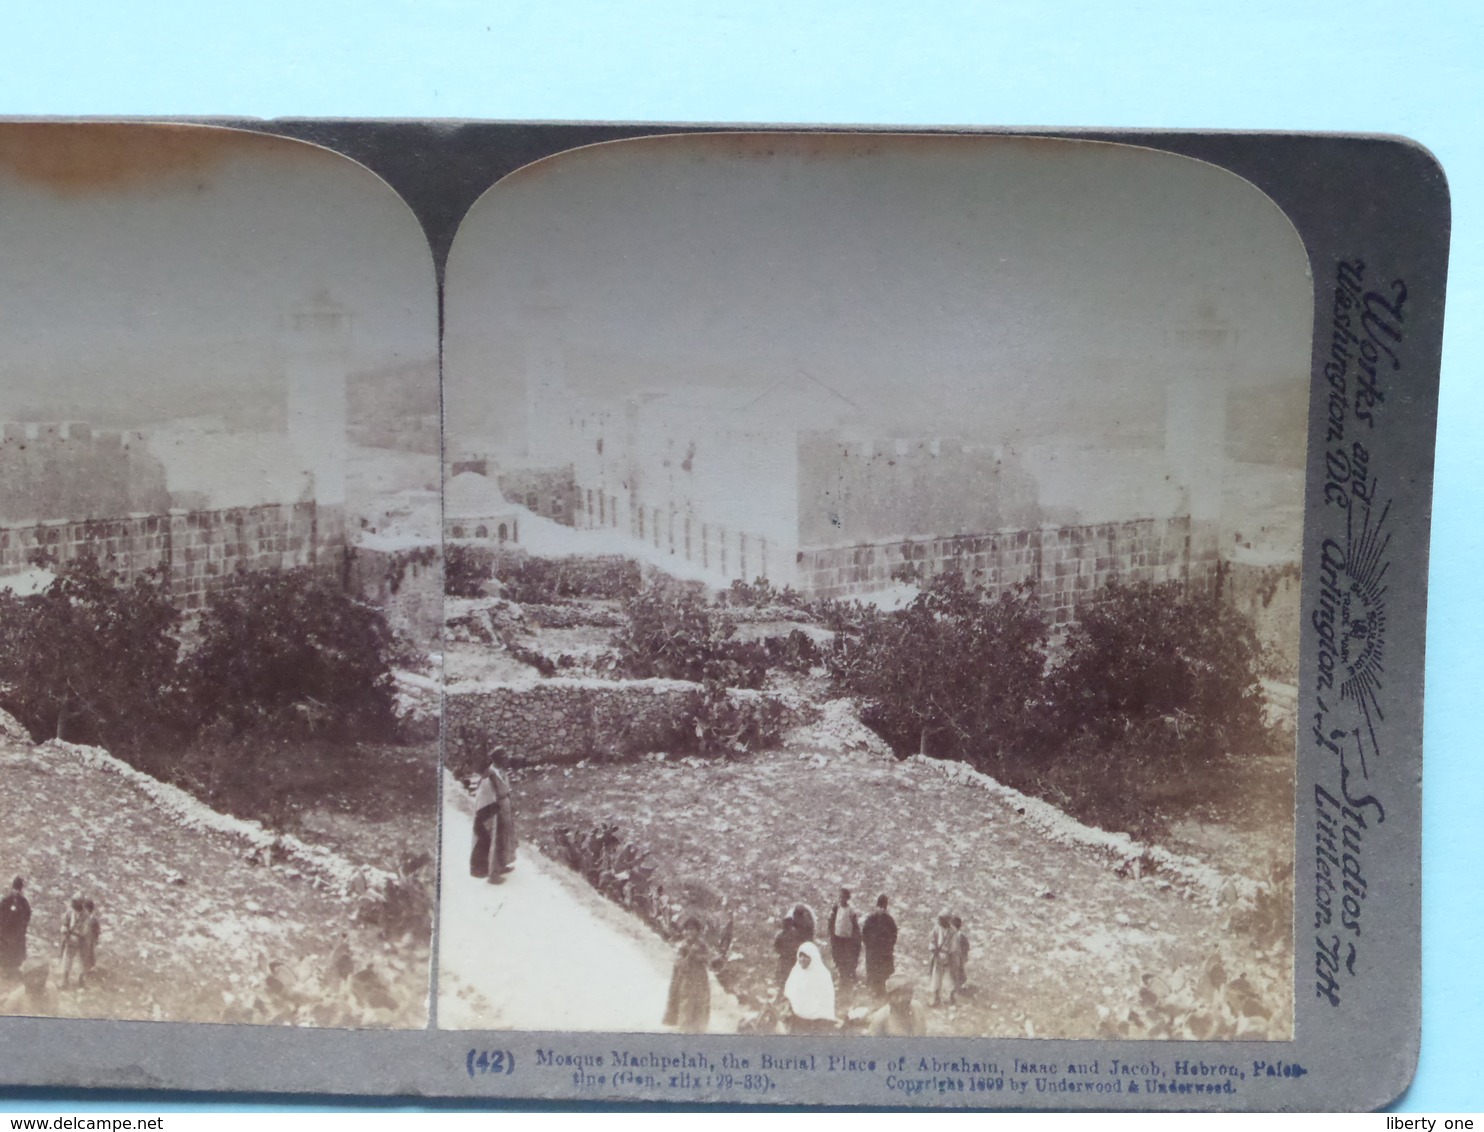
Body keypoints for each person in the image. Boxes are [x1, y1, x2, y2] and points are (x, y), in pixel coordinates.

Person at [470, 753, 517, 883]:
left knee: (504, 838)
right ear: (498, 759)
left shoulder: (501, 772)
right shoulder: (488, 775)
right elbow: (484, 796)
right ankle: (493, 874)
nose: (507, 760)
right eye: (505, 758)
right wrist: (493, 811)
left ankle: (501, 865)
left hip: (503, 808)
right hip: (493, 810)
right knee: (494, 840)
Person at [662, 915, 712, 1033]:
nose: (689, 932)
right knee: (686, 1003)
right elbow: (679, 964)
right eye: (687, 929)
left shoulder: (702, 945)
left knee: (701, 1002)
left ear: (698, 932)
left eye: (693, 929)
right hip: (686, 979)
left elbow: (709, 959)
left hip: (700, 979)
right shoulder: (682, 946)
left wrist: (699, 956)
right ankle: (684, 1029)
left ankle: (699, 1029)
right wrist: (690, 955)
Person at [782, 941, 837, 1033]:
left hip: (816, 1020)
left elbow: (825, 1001)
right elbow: (789, 994)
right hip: (797, 1017)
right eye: (800, 956)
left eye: (806, 957)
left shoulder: (823, 974)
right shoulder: (796, 972)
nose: (802, 959)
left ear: (813, 957)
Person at [861, 894, 898, 996]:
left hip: (884, 951)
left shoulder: (889, 920)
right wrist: (868, 945)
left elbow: (894, 934)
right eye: (880, 907)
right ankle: (876, 990)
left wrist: (890, 947)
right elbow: (864, 933)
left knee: (884, 970)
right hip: (874, 951)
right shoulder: (871, 919)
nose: (881, 909)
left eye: (883, 907)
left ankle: (884, 989)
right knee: (874, 971)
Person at [827, 888, 861, 985]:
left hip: (848, 938)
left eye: (844, 897)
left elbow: (854, 923)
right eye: (840, 897)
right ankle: (841, 975)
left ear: (847, 898)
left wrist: (856, 935)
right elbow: (831, 921)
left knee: (848, 956)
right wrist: (831, 933)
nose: (841, 899)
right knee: (838, 956)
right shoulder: (836, 908)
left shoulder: (850, 910)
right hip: (838, 938)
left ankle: (850, 974)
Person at [0, 878, 30, 976]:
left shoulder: (6, 899)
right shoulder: (23, 901)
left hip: (9, 931)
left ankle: (8, 970)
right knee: (13, 950)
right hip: (13, 931)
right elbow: (27, 915)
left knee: (9, 950)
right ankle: (10, 969)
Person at [928, 913, 959, 1006]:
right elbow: (932, 941)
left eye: (942, 919)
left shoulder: (953, 932)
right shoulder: (937, 929)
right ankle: (935, 998)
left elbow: (953, 948)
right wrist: (933, 949)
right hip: (937, 957)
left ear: (947, 920)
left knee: (949, 979)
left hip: (948, 958)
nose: (940, 921)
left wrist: (951, 958)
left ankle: (949, 997)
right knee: (936, 978)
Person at [60, 896, 85, 989]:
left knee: (81, 961)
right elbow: (64, 923)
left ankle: (81, 981)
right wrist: (65, 930)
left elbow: (85, 930)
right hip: (70, 940)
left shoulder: (85, 915)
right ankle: (65, 980)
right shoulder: (69, 913)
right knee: (67, 960)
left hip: (81, 941)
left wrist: (76, 933)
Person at [79, 899, 101, 987]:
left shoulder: (92, 919)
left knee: (87, 960)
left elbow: (96, 932)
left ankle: (84, 980)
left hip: (89, 943)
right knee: (86, 961)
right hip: (87, 942)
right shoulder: (89, 919)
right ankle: (83, 979)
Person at [951, 914, 969, 992]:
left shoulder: (958, 935)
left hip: (957, 956)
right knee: (958, 971)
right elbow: (967, 946)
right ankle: (957, 985)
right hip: (957, 956)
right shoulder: (959, 935)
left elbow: (966, 946)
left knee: (958, 971)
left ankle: (957, 986)